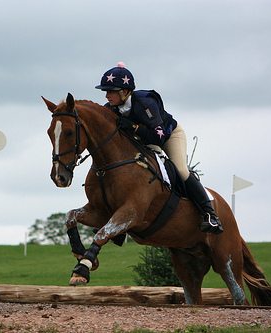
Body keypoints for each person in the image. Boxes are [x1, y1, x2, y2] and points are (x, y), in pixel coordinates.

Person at [95, 62, 223, 234]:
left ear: (124, 92)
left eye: (110, 91)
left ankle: (210, 214)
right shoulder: (111, 109)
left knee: (180, 170)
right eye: (105, 91)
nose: (106, 96)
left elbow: (158, 137)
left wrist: (133, 127)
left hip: (169, 136)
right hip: (143, 140)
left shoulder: (145, 103)